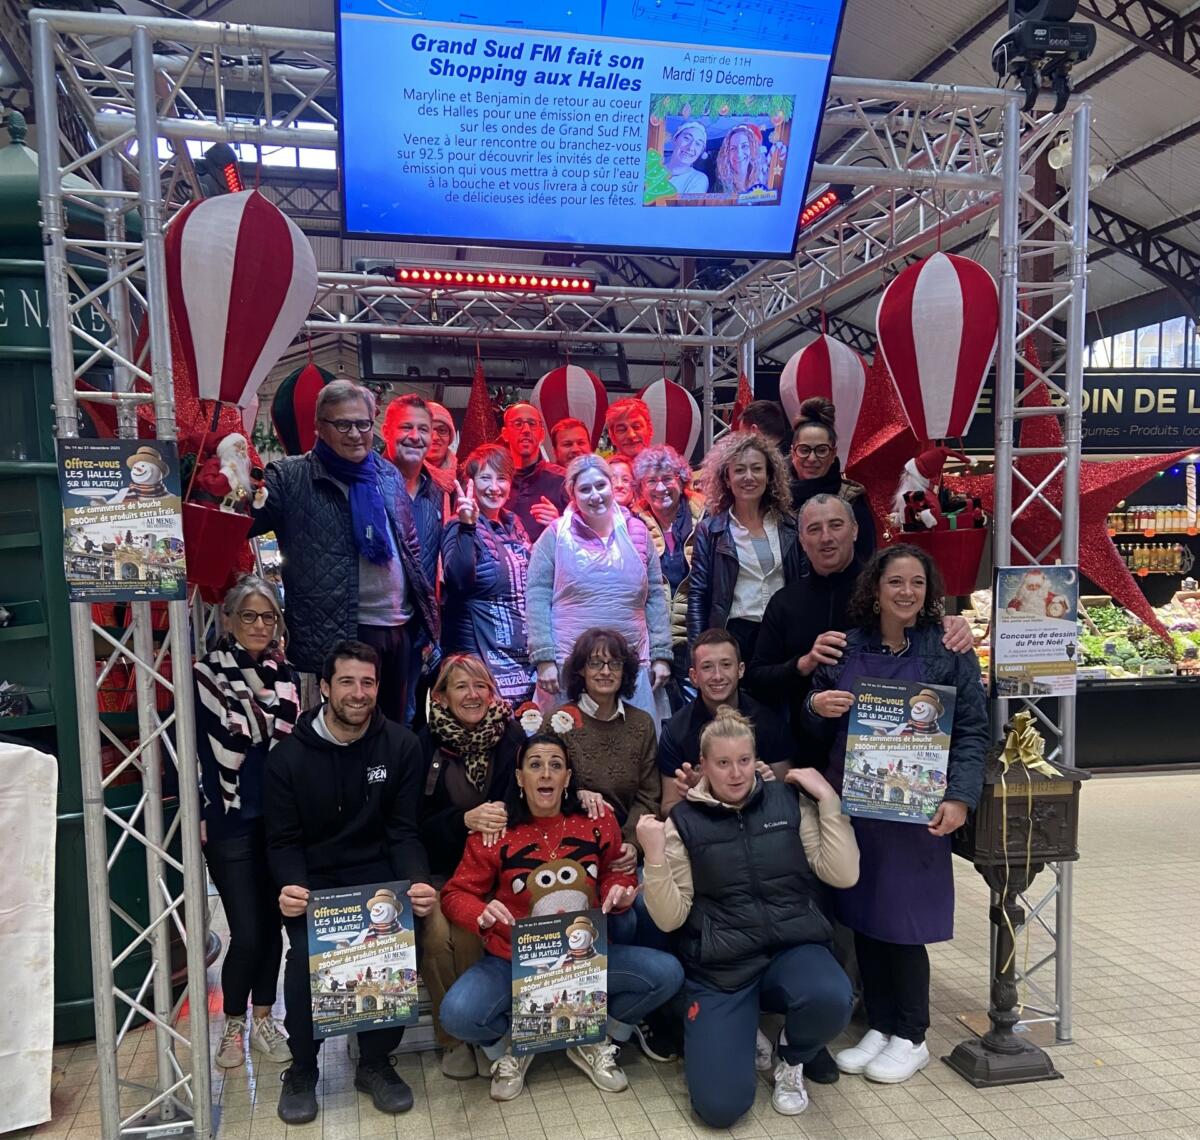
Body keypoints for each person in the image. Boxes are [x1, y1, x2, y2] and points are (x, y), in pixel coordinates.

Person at [804, 545, 987, 1083]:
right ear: (875, 589)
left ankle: (912, 1034)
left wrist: (960, 797)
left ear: (928, 591)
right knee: (866, 914)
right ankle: (880, 1024)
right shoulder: (846, 646)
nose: (906, 593)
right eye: (895, 583)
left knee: (905, 922)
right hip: (859, 803)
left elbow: (973, 728)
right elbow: (812, 719)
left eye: (916, 583)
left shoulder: (948, 649)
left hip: (915, 806)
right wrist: (816, 707)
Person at [638, 708, 858, 1127]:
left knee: (833, 995)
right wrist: (654, 856)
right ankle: (741, 1032)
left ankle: (791, 1056)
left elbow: (844, 874)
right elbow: (669, 919)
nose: (735, 774)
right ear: (703, 766)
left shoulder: (787, 801)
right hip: (723, 967)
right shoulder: (683, 823)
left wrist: (829, 801)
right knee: (720, 1109)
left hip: (792, 947)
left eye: (743, 761)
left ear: (756, 759)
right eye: (722, 763)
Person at [438, 731, 684, 1101]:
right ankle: (511, 1048)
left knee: (667, 974)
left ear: (568, 777)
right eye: (535, 765)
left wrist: (618, 890)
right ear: (520, 777)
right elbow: (455, 893)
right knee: (457, 1013)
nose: (546, 774)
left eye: (556, 766)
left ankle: (600, 1036)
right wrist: (481, 912)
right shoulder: (495, 833)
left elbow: (617, 869)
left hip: (586, 959)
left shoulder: (598, 822)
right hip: (515, 962)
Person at [265, 640, 436, 1125]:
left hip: (378, 881)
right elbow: (282, 841)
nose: (358, 693)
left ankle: (376, 1061)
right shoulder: (287, 760)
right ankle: (303, 1068)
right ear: (323, 688)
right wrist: (291, 887)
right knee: (304, 962)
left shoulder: (401, 746)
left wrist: (418, 881)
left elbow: (404, 831)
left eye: (368, 682)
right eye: (347, 682)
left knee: (397, 947)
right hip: (316, 885)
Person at [250, 379, 438, 722]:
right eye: (342, 424)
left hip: (398, 628)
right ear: (320, 428)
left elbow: (408, 549)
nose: (355, 434)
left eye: (363, 423)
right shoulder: (292, 477)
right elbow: (244, 519)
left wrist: (423, 622)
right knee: (343, 736)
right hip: (340, 632)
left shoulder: (387, 475)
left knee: (391, 735)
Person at [748, 495, 974, 769]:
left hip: (893, 753)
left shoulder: (888, 588)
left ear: (855, 530)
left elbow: (921, 623)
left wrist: (952, 625)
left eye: (836, 525)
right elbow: (757, 681)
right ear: (801, 540)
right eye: (814, 529)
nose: (826, 537)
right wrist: (802, 665)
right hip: (807, 752)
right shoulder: (784, 602)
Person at [195, 575, 296, 1071]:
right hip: (229, 818)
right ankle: (232, 1023)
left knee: (273, 927)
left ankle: (262, 1020)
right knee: (248, 931)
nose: (260, 625)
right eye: (250, 616)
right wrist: (196, 810)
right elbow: (188, 752)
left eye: (268, 616)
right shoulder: (204, 675)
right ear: (230, 621)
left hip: (277, 822)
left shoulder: (287, 676)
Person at [418, 654, 525, 1079]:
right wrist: (462, 821)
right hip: (442, 869)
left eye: (480, 685)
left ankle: (480, 1029)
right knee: (438, 936)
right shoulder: (423, 743)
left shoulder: (513, 737)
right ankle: (453, 1038)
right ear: (440, 697)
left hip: (493, 871)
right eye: (461, 686)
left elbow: (530, 802)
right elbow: (412, 824)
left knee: (469, 933)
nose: (473, 694)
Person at [527, 454, 673, 726]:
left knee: (634, 747)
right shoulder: (555, 536)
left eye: (600, 486)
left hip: (632, 667)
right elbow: (536, 596)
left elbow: (654, 596)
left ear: (611, 485)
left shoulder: (638, 532)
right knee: (567, 748)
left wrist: (661, 654)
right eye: (584, 489)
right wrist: (543, 658)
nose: (595, 495)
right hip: (568, 668)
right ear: (572, 494)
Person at [685, 430, 802, 664]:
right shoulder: (710, 531)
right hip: (732, 638)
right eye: (739, 470)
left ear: (769, 475)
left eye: (757, 468)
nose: (749, 476)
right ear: (727, 479)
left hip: (782, 636)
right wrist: (698, 653)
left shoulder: (791, 526)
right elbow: (697, 594)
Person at [441, 444, 535, 705]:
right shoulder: (457, 525)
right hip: (476, 654)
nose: (494, 487)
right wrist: (467, 527)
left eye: (502, 478)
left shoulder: (513, 523)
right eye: (485, 478)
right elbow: (457, 581)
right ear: (470, 483)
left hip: (517, 658)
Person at [659, 628, 792, 811]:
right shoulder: (675, 731)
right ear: (694, 677)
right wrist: (698, 793)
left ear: (741, 670)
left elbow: (787, 796)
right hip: (704, 831)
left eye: (726, 664)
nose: (717, 676)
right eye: (707, 667)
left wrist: (765, 786)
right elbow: (668, 807)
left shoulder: (768, 722)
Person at [560, 628, 660, 861]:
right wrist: (576, 794)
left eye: (614, 663)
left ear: (624, 671)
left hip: (626, 847)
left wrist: (631, 844)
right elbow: (540, 790)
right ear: (580, 669)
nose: (605, 671)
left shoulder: (641, 724)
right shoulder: (559, 722)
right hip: (569, 847)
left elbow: (649, 795)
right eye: (595, 663)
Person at [788, 396, 875, 564]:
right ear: (793, 453)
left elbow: (866, 563)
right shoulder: (775, 500)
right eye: (804, 450)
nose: (812, 458)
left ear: (833, 453)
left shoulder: (852, 499)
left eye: (821, 450)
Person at [501, 403, 567, 542]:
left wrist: (559, 525)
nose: (526, 430)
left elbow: (585, 537)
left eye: (532, 424)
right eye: (518, 424)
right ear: (505, 433)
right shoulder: (494, 483)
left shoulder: (563, 480)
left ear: (542, 434)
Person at [716, 124, 766, 195]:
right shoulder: (720, 187)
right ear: (727, 154)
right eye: (733, 148)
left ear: (752, 150)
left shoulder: (763, 180)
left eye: (744, 146)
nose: (739, 154)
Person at [604, 396, 653, 462]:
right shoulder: (605, 470)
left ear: (650, 430)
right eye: (621, 429)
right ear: (612, 436)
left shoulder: (667, 468)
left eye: (636, 427)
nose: (631, 435)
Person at [666, 121, 708, 195]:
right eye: (687, 138)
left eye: (698, 144)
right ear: (675, 139)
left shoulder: (698, 179)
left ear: (700, 152)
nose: (691, 147)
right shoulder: (653, 167)